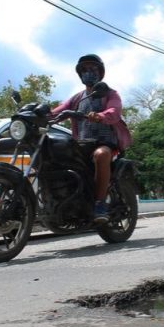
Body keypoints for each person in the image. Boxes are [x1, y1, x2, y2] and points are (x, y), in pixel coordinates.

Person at [51, 54, 123, 224]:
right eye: (84, 69)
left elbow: (114, 112)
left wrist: (100, 116)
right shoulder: (77, 98)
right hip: (81, 145)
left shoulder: (110, 94)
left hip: (104, 143)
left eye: (92, 69)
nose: (88, 72)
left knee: (101, 155)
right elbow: (57, 111)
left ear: (100, 72)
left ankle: (99, 204)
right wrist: (38, 114)